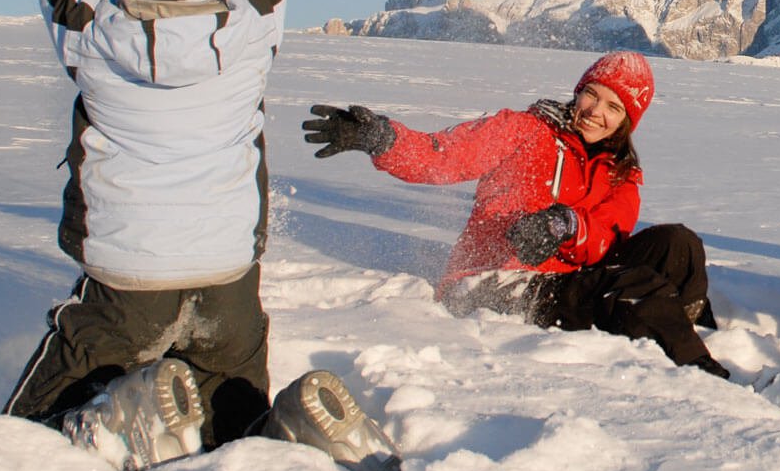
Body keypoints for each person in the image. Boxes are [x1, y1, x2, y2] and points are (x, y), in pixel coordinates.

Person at [0, 0, 397, 471]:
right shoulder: (253, 25)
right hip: (230, 285)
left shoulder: (91, 32)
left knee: (26, 444)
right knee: (231, 428)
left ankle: (122, 416)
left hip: (124, 289)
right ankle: (291, 434)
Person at [302, 51, 729, 378]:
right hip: (495, 285)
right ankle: (700, 374)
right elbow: (442, 156)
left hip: (567, 274)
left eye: (614, 108)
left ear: (627, 121)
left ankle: (688, 326)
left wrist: (565, 225)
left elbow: (608, 231)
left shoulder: (620, 170)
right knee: (638, 288)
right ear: (577, 91)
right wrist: (381, 138)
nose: (596, 111)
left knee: (679, 245)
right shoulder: (524, 131)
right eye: (592, 95)